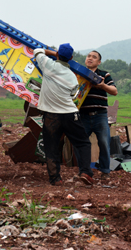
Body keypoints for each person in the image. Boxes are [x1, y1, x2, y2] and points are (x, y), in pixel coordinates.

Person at [33, 43, 94, 186]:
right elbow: (73, 94)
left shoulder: (47, 64)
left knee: (51, 147)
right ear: (71, 58)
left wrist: (52, 53)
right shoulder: (72, 77)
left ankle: (55, 178)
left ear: (57, 54)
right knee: (83, 143)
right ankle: (85, 172)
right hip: (69, 114)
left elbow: (37, 51)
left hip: (51, 116)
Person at [79, 50, 118, 179]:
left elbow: (114, 91)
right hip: (83, 115)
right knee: (81, 144)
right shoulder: (79, 73)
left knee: (104, 143)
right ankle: (83, 171)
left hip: (100, 115)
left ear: (99, 62)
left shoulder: (104, 75)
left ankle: (105, 171)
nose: (90, 58)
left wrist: (102, 86)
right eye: (89, 56)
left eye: (94, 57)